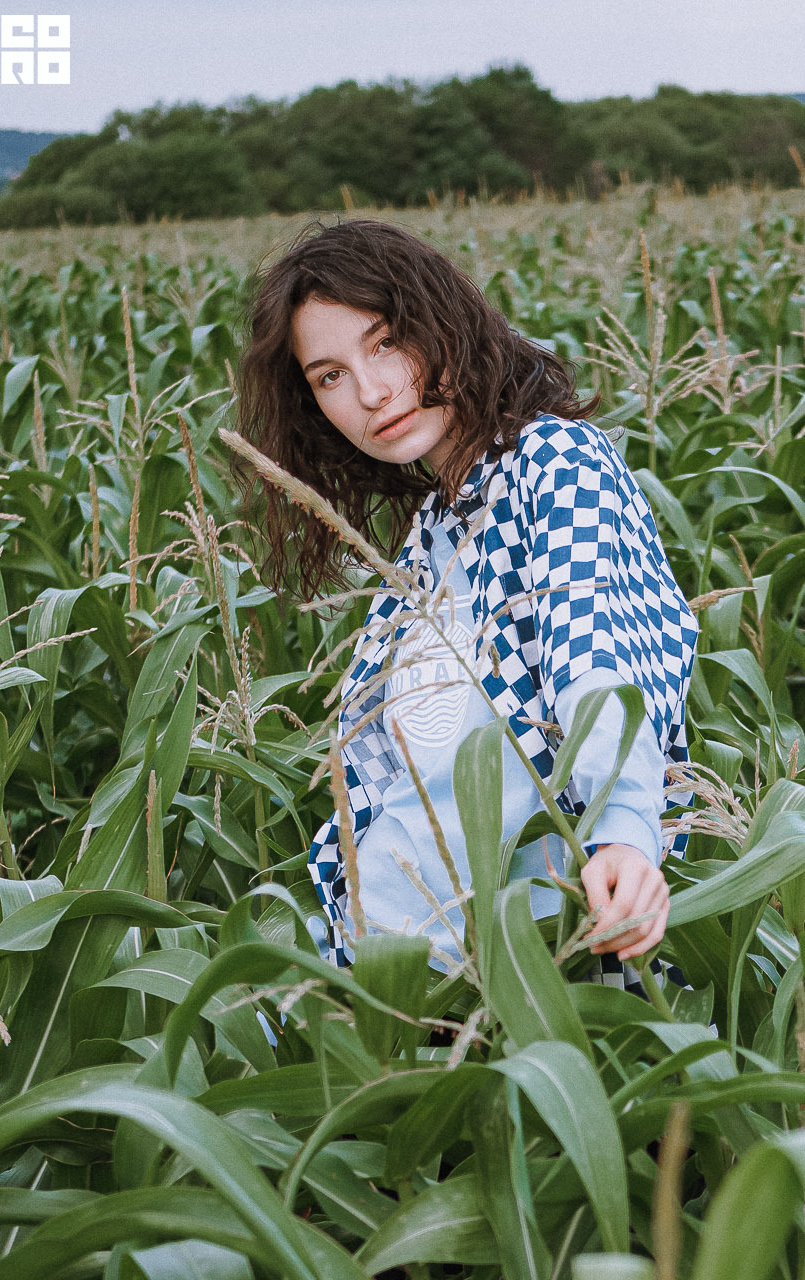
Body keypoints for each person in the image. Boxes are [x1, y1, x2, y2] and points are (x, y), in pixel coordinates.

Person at [235, 217, 696, 974]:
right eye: (330, 376)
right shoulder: (435, 530)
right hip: (394, 973)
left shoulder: (553, 461)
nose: (372, 392)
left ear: (443, 323)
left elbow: (594, 649)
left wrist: (622, 833)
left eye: (386, 342)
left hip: (527, 963)